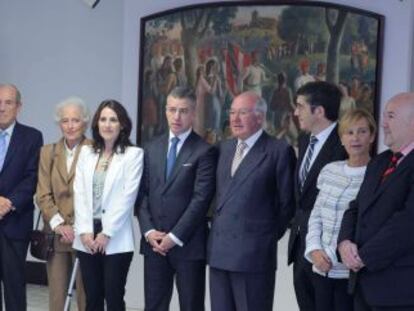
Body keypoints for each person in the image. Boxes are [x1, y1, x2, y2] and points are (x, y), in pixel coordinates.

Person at [208, 91, 296, 311]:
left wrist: (262, 237)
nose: (235, 119)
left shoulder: (279, 150)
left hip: (254, 256)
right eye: (232, 112)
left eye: (243, 113)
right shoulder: (223, 148)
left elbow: (287, 204)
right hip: (219, 253)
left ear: (260, 117)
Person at [136, 86, 217, 311]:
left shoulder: (205, 151)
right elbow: (141, 194)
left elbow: (200, 201)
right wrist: (149, 231)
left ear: (193, 113)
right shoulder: (151, 147)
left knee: (191, 306)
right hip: (153, 244)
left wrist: (174, 236)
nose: (177, 116)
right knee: (153, 305)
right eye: (172, 110)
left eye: (183, 111)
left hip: (188, 246)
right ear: (165, 111)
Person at [338, 93, 414, 311]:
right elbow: (356, 208)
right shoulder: (380, 161)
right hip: (363, 286)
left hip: (401, 291)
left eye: (390, 116)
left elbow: (408, 224)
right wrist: (344, 243)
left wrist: (363, 256)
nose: (383, 124)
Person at [73, 100, 143, 311]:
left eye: (113, 120)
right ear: (96, 123)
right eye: (103, 119)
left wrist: (106, 233)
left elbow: (127, 197)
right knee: (92, 298)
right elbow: (80, 193)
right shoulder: (86, 153)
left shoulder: (133, 155)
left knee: (113, 298)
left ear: (122, 124)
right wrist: (85, 231)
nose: (108, 124)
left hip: (115, 236)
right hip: (86, 236)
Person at [304, 109, 376, 311]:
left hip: (353, 275)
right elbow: (316, 215)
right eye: (349, 132)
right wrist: (314, 251)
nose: (355, 138)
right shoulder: (329, 170)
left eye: (362, 131)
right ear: (341, 138)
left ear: (372, 136)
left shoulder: (377, 174)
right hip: (321, 269)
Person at [287, 81, 347, 311]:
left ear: (319, 111)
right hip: (301, 245)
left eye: (300, 106)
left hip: (328, 253)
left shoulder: (345, 143)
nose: (295, 112)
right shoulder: (304, 140)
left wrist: (327, 248)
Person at [36, 96, 90, 311]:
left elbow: (97, 196)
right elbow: (42, 194)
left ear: (85, 122)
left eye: (75, 120)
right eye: (65, 120)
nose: (70, 126)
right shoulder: (47, 152)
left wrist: (78, 226)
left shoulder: (95, 149)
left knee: (87, 295)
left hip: (85, 235)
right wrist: (60, 225)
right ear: (59, 124)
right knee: (57, 297)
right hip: (56, 234)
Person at [0, 83, 43, 310]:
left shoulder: (32, 137)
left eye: (8, 102)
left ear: (19, 107)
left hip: (15, 222)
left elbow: (32, 176)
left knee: (14, 285)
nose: (2, 108)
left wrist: (9, 203)